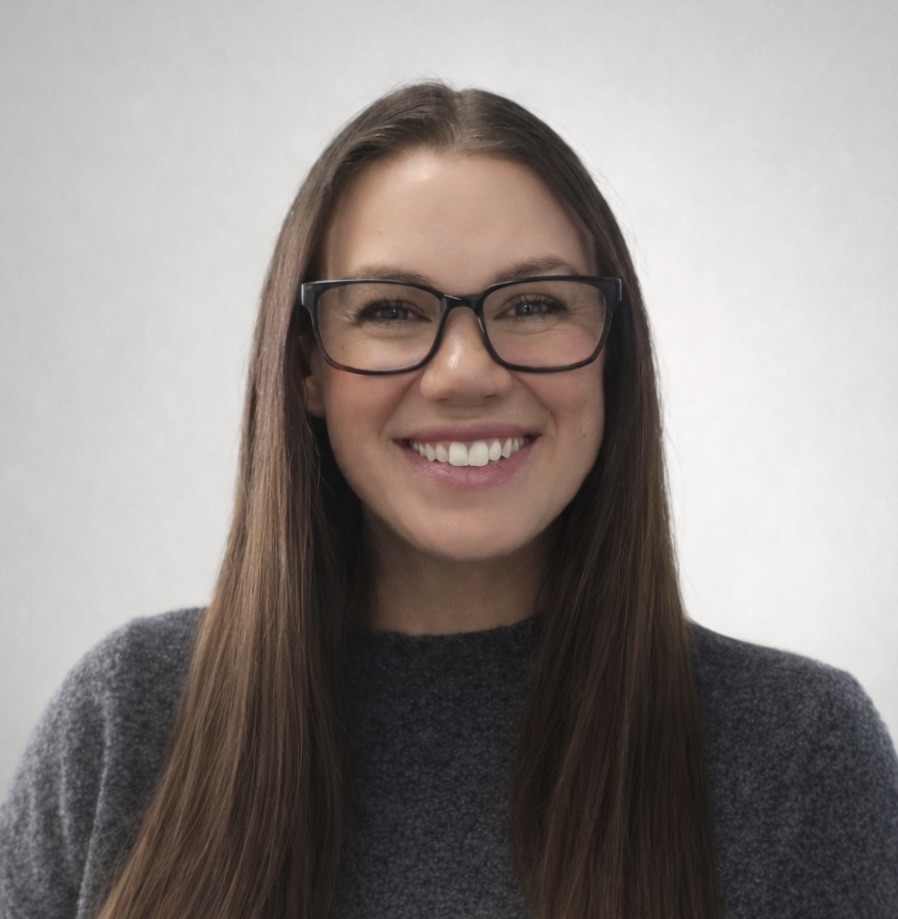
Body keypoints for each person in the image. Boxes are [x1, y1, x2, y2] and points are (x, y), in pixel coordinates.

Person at [1, 82, 896, 919]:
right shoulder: (124, 720)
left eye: (535, 303)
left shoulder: (801, 754)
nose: (465, 372)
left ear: (613, 355)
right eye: (391, 310)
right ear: (307, 365)